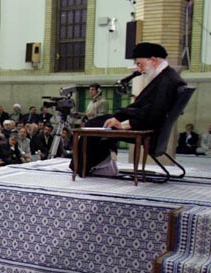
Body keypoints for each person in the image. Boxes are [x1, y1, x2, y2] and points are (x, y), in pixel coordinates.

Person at [75, 42, 187, 176]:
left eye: (140, 64)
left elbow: (155, 113)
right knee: (101, 121)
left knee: (93, 124)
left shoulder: (166, 81)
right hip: (147, 124)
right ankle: (100, 164)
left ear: (153, 60)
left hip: (148, 128)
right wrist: (118, 117)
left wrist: (124, 124)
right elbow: (144, 108)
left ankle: (87, 167)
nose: (139, 69)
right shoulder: (165, 76)